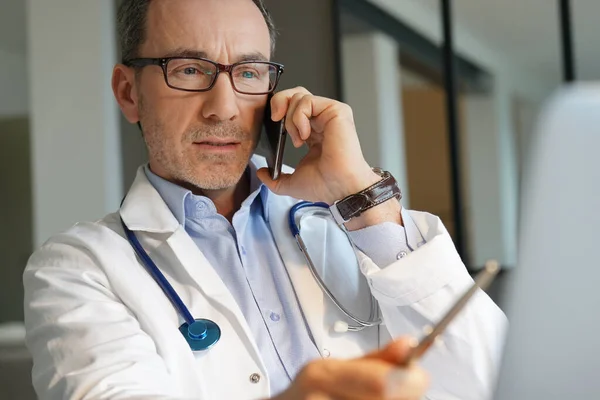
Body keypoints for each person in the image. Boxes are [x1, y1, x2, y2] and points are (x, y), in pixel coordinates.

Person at [23, 0, 507, 399]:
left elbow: (493, 375)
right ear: (129, 92)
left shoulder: (352, 219)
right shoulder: (77, 269)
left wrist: (363, 197)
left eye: (249, 73)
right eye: (189, 70)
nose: (224, 108)